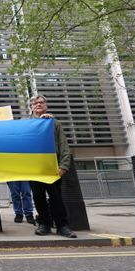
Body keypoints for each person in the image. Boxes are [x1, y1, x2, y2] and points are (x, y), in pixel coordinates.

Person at [29, 94, 77, 238]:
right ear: (31, 107)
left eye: (41, 102)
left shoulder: (54, 123)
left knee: (56, 197)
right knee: (38, 197)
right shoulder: (26, 123)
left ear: (46, 105)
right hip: (34, 167)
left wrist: (64, 166)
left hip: (53, 166)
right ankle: (44, 224)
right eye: (35, 103)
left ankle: (62, 226)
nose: (38, 105)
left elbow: (63, 145)